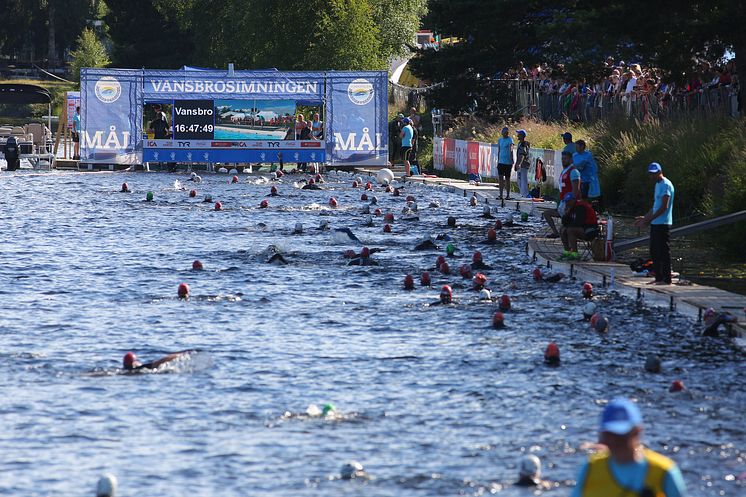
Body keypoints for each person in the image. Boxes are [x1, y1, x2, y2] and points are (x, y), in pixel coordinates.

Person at [570, 398, 686, 497]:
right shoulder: (590, 469)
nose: (614, 441)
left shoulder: (664, 471)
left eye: (621, 435)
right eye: (609, 434)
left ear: (637, 432)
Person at [634, 162, 675, 285]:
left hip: (663, 223)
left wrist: (648, 220)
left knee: (663, 251)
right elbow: (655, 207)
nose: (652, 176)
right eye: (650, 174)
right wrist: (645, 218)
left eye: (654, 173)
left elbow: (664, 207)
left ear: (660, 172)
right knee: (654, 251)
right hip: (655, 223)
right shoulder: (657, 185)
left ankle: (666, 279)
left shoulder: (666, 185)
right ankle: (658, 278)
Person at [543, 150, 581, 237]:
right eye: (562, 159)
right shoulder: (564, 171)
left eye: (565, 159)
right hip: (563, 202)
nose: (563, 161)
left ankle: (570, 237)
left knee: (565, 229)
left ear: (571, 160)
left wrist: (571, 205)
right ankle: (556, 233)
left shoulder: (574, 172)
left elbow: (576, 190)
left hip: (569, 203)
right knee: (546, 213)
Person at [560, 193, 598, 260]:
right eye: (566, 201)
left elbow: (579, 222)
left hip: (590, 229)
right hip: (582, 228)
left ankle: (575, 254)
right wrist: (566, 214)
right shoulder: (571, 207)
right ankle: (567, 251)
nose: (567, 203)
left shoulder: (580, 206)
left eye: (569, 201)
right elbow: (565, 223)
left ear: (574, 200)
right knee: (562, 229)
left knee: (570, 230)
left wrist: (568, 226)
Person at [572, 140, 601, 204]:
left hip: (587, 180)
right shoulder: (574, 155)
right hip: (578, 179)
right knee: (577, 196)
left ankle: (587, 208)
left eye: (577, 147)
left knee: (585, 197)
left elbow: (581, 166)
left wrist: (574, 168)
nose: (576, 149)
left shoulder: (588, 155)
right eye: (575, 147)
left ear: (582, 147)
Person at [122, 350, 195, 372]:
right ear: (134, 363)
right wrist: (182, 355)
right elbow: (162, 360)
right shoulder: (143, 368)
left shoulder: (122, 371)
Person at [496, 126, 514, 199]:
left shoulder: (510, 140)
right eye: (504, 132)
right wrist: (498, 160)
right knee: (500, 178)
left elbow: (511, 150)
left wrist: (512, 159)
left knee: (507, 179)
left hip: (508, 162)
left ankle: (508, 195)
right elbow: (499, 151)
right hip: (501, 162)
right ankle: (500, 195)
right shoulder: (500, 140)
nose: (505, 134)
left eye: (506, 132)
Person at [514, 129, 530, 197]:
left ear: (522, 136)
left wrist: (518, 164)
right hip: (520, 165)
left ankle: (525, 194)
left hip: (523, 165)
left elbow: (522, 155)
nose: (517, 135)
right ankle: (522, 194)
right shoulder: (520, 143)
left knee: (523, 180)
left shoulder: (523, 144)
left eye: (519, 134)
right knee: (519, 180)